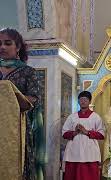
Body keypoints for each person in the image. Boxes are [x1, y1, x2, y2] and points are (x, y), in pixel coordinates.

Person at [0, 28, 45, 180]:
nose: (2, 47)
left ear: (18, 47)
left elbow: (35, 98)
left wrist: (10, 96)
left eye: (7, 43)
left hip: (18, 128)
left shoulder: (28, 72)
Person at [62, 91, 105, 180]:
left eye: (85, 99)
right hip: (73, 152)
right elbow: (64, 133)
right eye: (81, 99)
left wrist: (87, 132)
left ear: (89, 102)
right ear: (78, 101)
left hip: (90, 152)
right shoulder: (72, 117)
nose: (83, 101)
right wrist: (75, 132)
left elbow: (101, 135)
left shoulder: (95, 117)